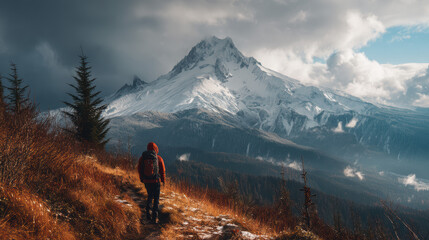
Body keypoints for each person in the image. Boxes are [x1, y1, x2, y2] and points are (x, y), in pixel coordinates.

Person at [137, 142, 166, 224]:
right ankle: (155, 217)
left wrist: (142, 178)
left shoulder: (142, 158)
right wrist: (163, 180)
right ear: (156, 149)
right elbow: (162, 171)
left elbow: (139, 169)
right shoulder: (158, 158)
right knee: (156, 199)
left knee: (150, 196)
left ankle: (147, 215)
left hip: (146, 181)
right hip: (156, 181)